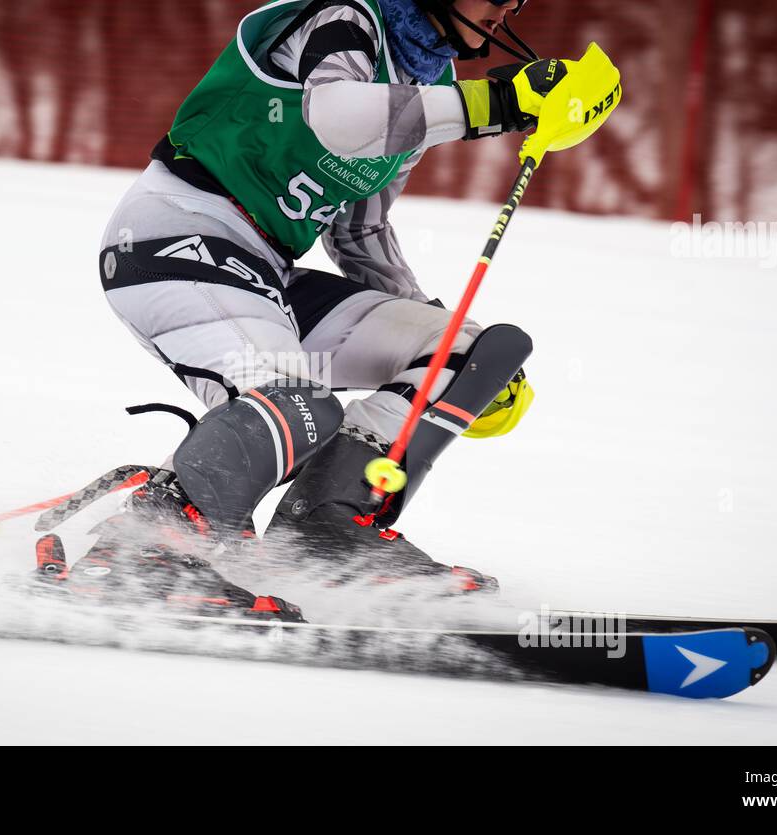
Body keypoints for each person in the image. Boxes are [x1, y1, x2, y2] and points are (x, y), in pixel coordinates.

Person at [71, 0, 569, 619]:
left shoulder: (428, 82)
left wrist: (440, 351)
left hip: (265, 270)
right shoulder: (345, 18)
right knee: (298, 404)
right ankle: (141, 550)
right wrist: (494, 104)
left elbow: (360, 230)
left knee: (474, 351)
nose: (507, 10)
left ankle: (327, 531)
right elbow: (338, 119)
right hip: (174, 239)